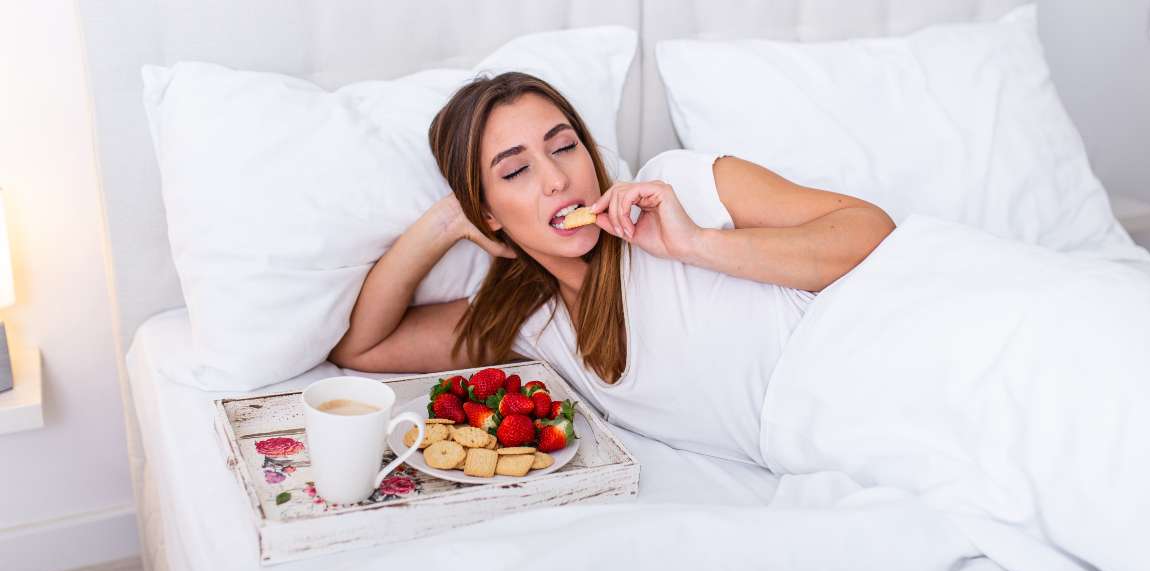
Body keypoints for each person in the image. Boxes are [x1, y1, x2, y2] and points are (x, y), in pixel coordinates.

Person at [329, 72, 895, 464]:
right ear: (487, 211)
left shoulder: (679, 187)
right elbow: (362, 348)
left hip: (895, 349)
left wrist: (696, 245)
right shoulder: (532, 323)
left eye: (564, 146)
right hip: (852, 442)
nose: (556, 179)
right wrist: (446, 223)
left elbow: (873, 232)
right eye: (514, 172)